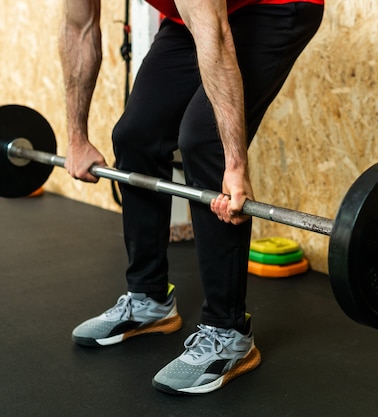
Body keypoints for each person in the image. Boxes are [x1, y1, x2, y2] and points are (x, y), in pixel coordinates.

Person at [59, 0, 324, 394]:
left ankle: (229, 332)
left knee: (204, 138)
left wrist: (235, 165)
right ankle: (148, 301)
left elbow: (214, 37)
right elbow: (78, 29)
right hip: (191, 17)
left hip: (276, 7)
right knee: (135, 136)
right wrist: (76, 138)